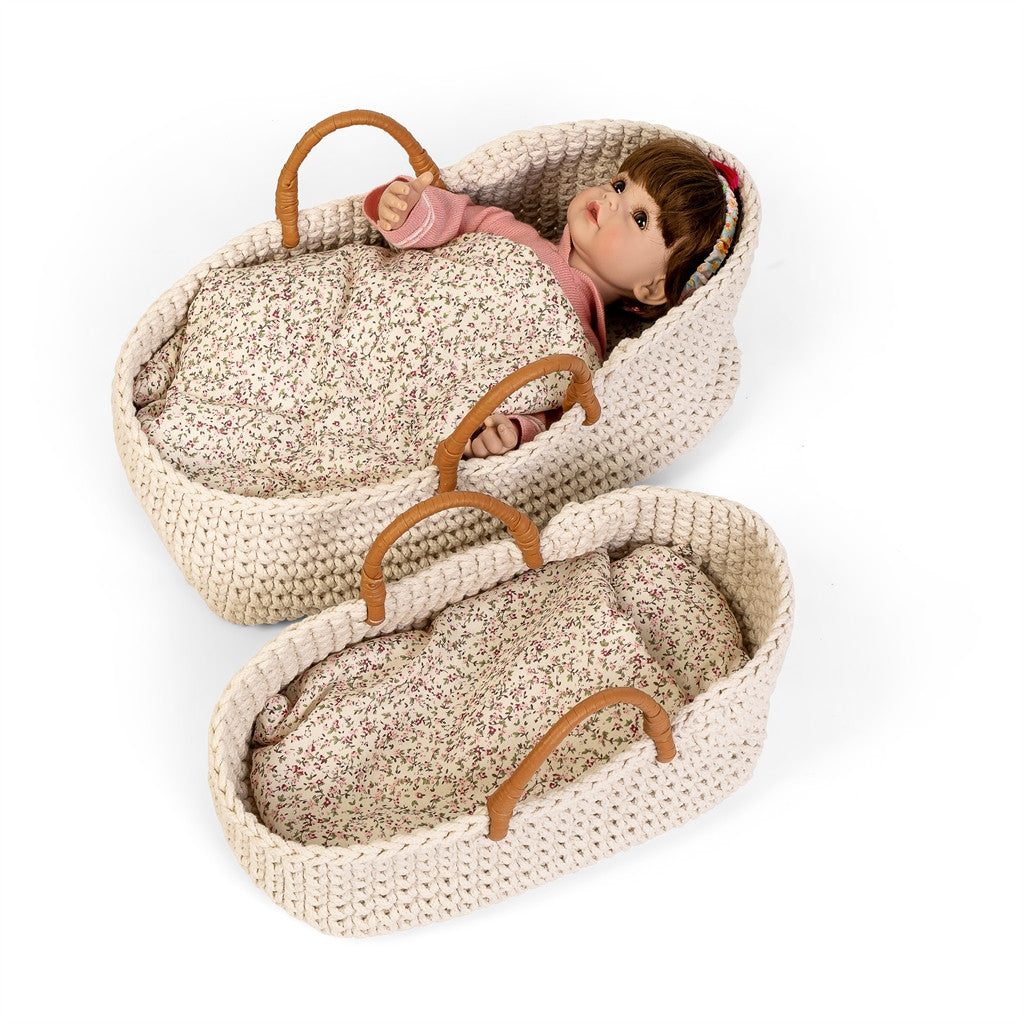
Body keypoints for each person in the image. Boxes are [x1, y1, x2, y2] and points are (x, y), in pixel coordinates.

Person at [364, 137, 739, 457]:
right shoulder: (511, 232)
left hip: (407, 403)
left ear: (652, 288)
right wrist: (406, 209)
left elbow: (551, 420)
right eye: (620, 185)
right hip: (371, 313)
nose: (611, 200)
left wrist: (512, 431)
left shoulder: (581, 361)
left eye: (640, 218)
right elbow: (454, 219)